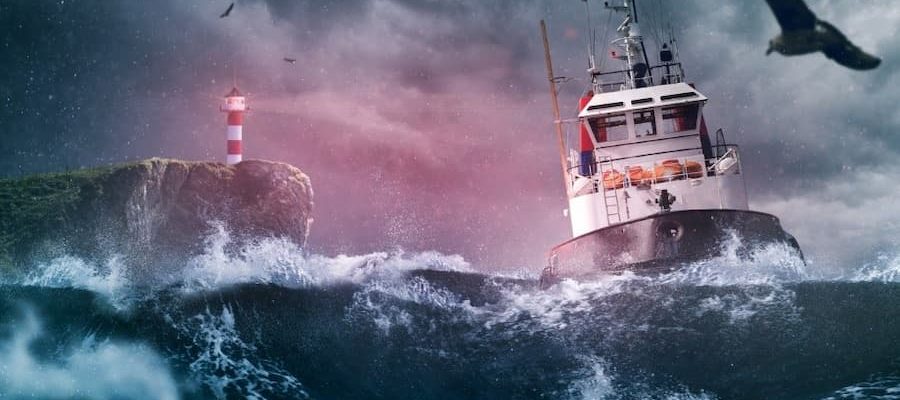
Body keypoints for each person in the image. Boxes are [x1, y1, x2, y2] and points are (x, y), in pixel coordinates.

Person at [578, 90, 595, 176]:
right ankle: (589, 172)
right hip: (591, 149)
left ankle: (588, 173)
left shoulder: (586, 105)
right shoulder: (589, 105)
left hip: (589, 149)